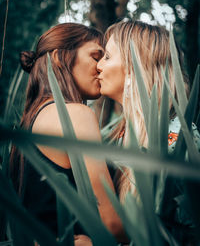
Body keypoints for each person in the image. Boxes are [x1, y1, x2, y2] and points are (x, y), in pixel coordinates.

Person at [10, 22, 126, 245]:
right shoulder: (75, 114)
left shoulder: (30, 120)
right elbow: (111, 224)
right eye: (95, 56)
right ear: (58, 58)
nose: (101, 66)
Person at [97, 20, 200, 244]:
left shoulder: (182, 142)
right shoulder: (110, 135)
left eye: (107, 56)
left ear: (136, 66)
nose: (98, 66)